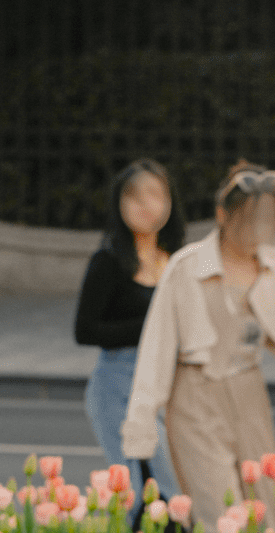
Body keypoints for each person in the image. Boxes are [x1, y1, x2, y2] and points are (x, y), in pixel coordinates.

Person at [122, 160, 275, 533]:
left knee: (266, 510)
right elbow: (156, 352)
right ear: (223, 215)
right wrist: (141, 430)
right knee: (218, 516)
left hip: (249, 393)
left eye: (266, 221)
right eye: (248, 220)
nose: (257, 231)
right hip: (195, 397)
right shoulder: (186, 268)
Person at [75, 160, 185, 511]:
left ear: (170, 203)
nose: (145, 206)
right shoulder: (108, 262)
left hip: (168, 387)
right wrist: (151, 328)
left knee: (173, 487)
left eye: (155, 195)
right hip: (118, 385)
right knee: (133, 491)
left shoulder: (178, 261)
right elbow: (85, 330)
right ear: (119, 205)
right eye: (133, 197)